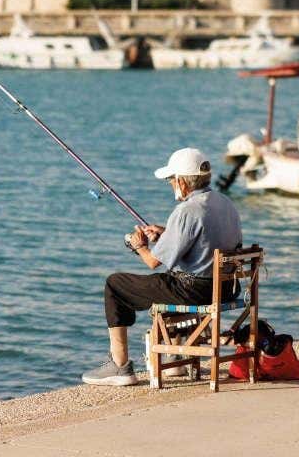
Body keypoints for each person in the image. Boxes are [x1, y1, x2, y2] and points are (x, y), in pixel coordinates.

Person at [81, 147, 243, 386]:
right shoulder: (225, 203)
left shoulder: (186, 210)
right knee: (165, 285)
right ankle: (174, 358)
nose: (171, 185)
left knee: (115, 285)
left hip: (196, 292)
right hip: (227, 289)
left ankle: (120, 366)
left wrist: (139, 246)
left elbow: (153, 262)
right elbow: (206, 239)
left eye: (171, 180)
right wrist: (166, 233)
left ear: (181, 182)